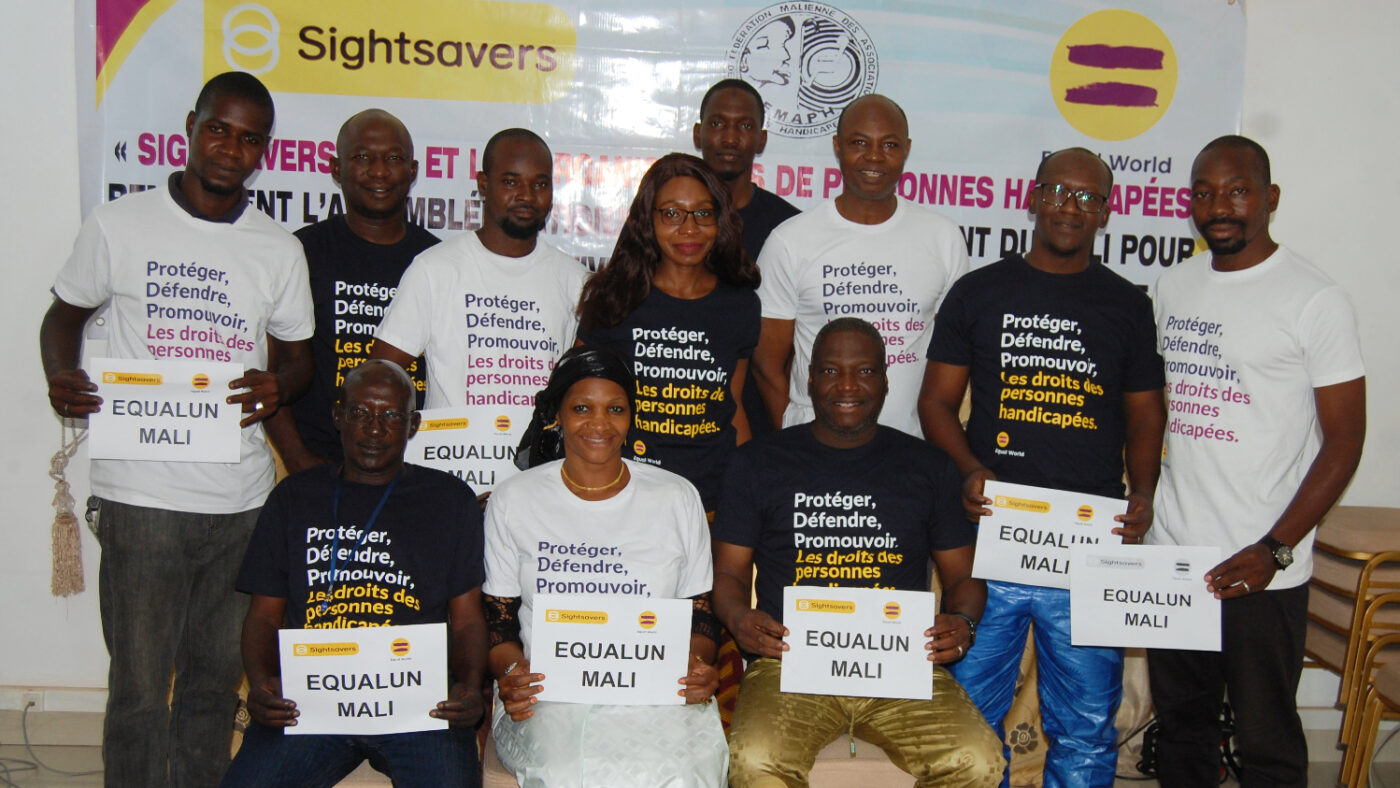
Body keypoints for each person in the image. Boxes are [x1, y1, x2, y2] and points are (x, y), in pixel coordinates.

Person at [38, 72, 314, 785]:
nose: (231, 147)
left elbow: (298, 359)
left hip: (239, 503)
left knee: (212, 690)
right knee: (136, 692)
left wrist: (280, 382)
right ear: (191, 126)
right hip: (140, 498)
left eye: (249, 137)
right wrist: (60, 376)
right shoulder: (119, 225)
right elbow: (63, 316)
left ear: (264, 151)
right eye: (219, 128)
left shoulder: (278, 249)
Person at [918, 148, 1165, 787]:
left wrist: (1143, 490)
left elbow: (1144, 415)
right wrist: (970, 469)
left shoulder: (1127, 306)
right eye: (1059, 191)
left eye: (1088, 197)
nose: (1071, 206)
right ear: (1033, 196)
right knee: (968, 718)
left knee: (1085, 724)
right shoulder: (979, 291)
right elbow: (936, 404)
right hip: (991, 541)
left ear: (1107, 211)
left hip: (1087, 544)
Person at [1146, 135, 1365, 787]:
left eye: (1237, 190)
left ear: (1269, 198)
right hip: (1175, 554)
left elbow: (1346, 440)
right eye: (1205, 192)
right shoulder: (1173, 285)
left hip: (1259, 566)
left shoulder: (1313, 298)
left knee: (1267, 742)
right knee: (1183, 732)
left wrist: (1275, 549)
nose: (1220, 205)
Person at [714, 318, 1004, 787]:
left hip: (901, 665)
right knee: (754, 758)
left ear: (886, 380)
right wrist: (738, 617)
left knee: (977, 760)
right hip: (790, 664)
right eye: (830, 371)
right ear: (808, 379)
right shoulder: (757, 463)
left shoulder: (929, 466)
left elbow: (964, 578)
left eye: (865, 371)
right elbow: (728, 572)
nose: (847, 385)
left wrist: (964, 621)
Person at [223, 360, 486, 786]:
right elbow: (263, 615)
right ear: (337, 415)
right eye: (361, 413)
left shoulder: (448, 500)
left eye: (391, 416)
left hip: (418, 707)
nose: (375, 428)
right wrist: (261, 684)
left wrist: (471, 686)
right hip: (311, 705)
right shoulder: (295, 497)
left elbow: (469, 618)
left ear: (413, 424)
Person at [482, 347, 727, 787]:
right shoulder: (514, 499)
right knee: (565, 772)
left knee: (676, 771)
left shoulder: (676, 497)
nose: (599, 424)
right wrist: (510, 673)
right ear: (557, 415)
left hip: (656, 687)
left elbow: (702, 613)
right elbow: (498, 622)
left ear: (631, 418)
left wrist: (696, 663)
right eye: (581, 408)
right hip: (547, 692)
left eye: (615, 409)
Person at [371, 128, 586, 490]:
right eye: (511, 181)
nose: (527, 196)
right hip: (450, 481)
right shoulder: (434, 269)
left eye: (540, 184)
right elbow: (380, 377)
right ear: (484, 184)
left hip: (538, 483)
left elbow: (584, 387)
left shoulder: (575, 279)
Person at [750, 94, 968, 439]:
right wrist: (795, 442)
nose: (874, 157)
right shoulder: (790, 241)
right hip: (814, 453)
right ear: (837, 146)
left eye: (890, 144)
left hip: (909, 452)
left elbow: (954, 361)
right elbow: (766, 365)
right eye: (859, 143)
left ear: (907, 149)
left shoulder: (943, 237)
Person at [577, 153, 760, 512]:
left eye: (703, 213)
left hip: (710, 500)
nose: (689, 229)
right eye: (672, 213)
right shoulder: (613, 297)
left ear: (719, 220)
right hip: (625, 495)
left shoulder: (740, 305)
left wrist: (750, 489)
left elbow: (732, 405)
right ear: (648, 221)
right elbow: (577, 403)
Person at [266, 109, 439, 474]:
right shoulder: (301, 252)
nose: (379, 171)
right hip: (315, 463)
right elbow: (274, 367)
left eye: (394, 159)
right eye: (362, 157)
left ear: (413, 171)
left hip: (414, 469)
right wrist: (297, 460)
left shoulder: (440, 261)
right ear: (335, 168)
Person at [693, 78, 800, 437]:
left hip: (761, 420)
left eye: (745, 125)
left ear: (762, 139)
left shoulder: (789, 227)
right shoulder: (662, 219)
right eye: (718, 123)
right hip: (673, 407)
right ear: (698, 133)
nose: (730, 137)